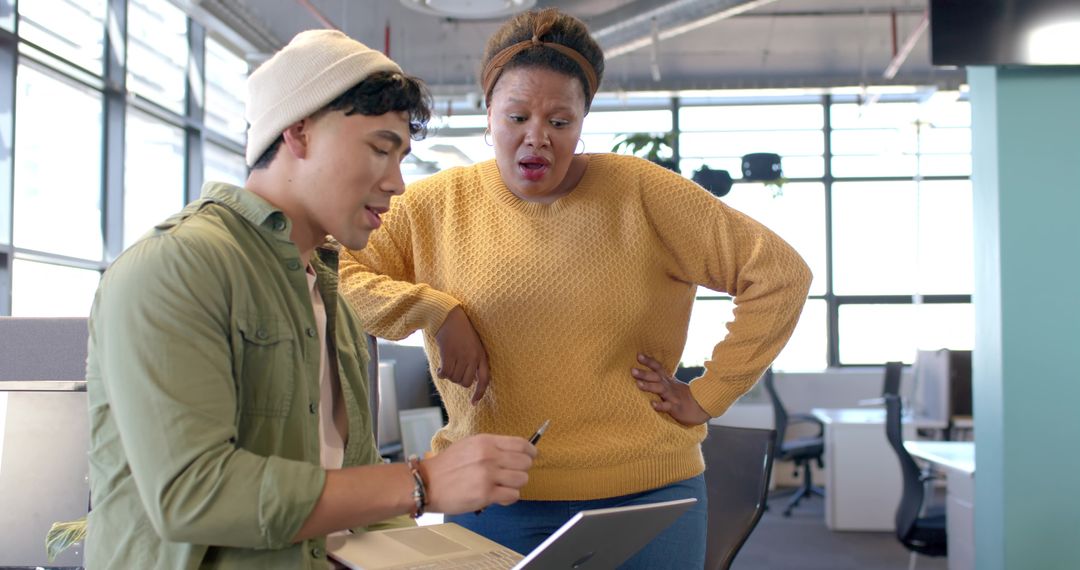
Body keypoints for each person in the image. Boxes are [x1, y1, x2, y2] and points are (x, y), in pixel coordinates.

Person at [338, 8, 812, 568]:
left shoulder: (642, 192)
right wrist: (433, 309)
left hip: (648, 499)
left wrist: (707, 395)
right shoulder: (435, 205)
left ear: (583, 122)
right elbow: (331, 272)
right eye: (516, 116)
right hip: (493, 497)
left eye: (559, 122)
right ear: (487, 114)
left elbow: (780, 275)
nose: (536, 138)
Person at [84, 30, 536, 569]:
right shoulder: (178, 267)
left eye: (401, 158)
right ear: (298, 132)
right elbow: (191, 494)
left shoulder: (332, 299)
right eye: (379, 149)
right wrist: (420, 482)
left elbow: (361, 492)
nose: (396, 183)